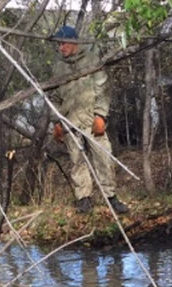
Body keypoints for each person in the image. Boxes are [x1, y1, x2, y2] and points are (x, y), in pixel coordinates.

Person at [49, 25, 129, 214]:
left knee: (103, 157)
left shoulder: (92, 60)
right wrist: (57, 122)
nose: (60, 48)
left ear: (74, 41)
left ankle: (110, 197)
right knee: (77, 162)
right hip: (69, 122)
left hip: (92, 121)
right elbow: (54, 97)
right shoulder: (58, 67)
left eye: (63, 43)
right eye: (59, 44)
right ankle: (84, 200)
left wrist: (100, 115)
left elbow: (103, 90)